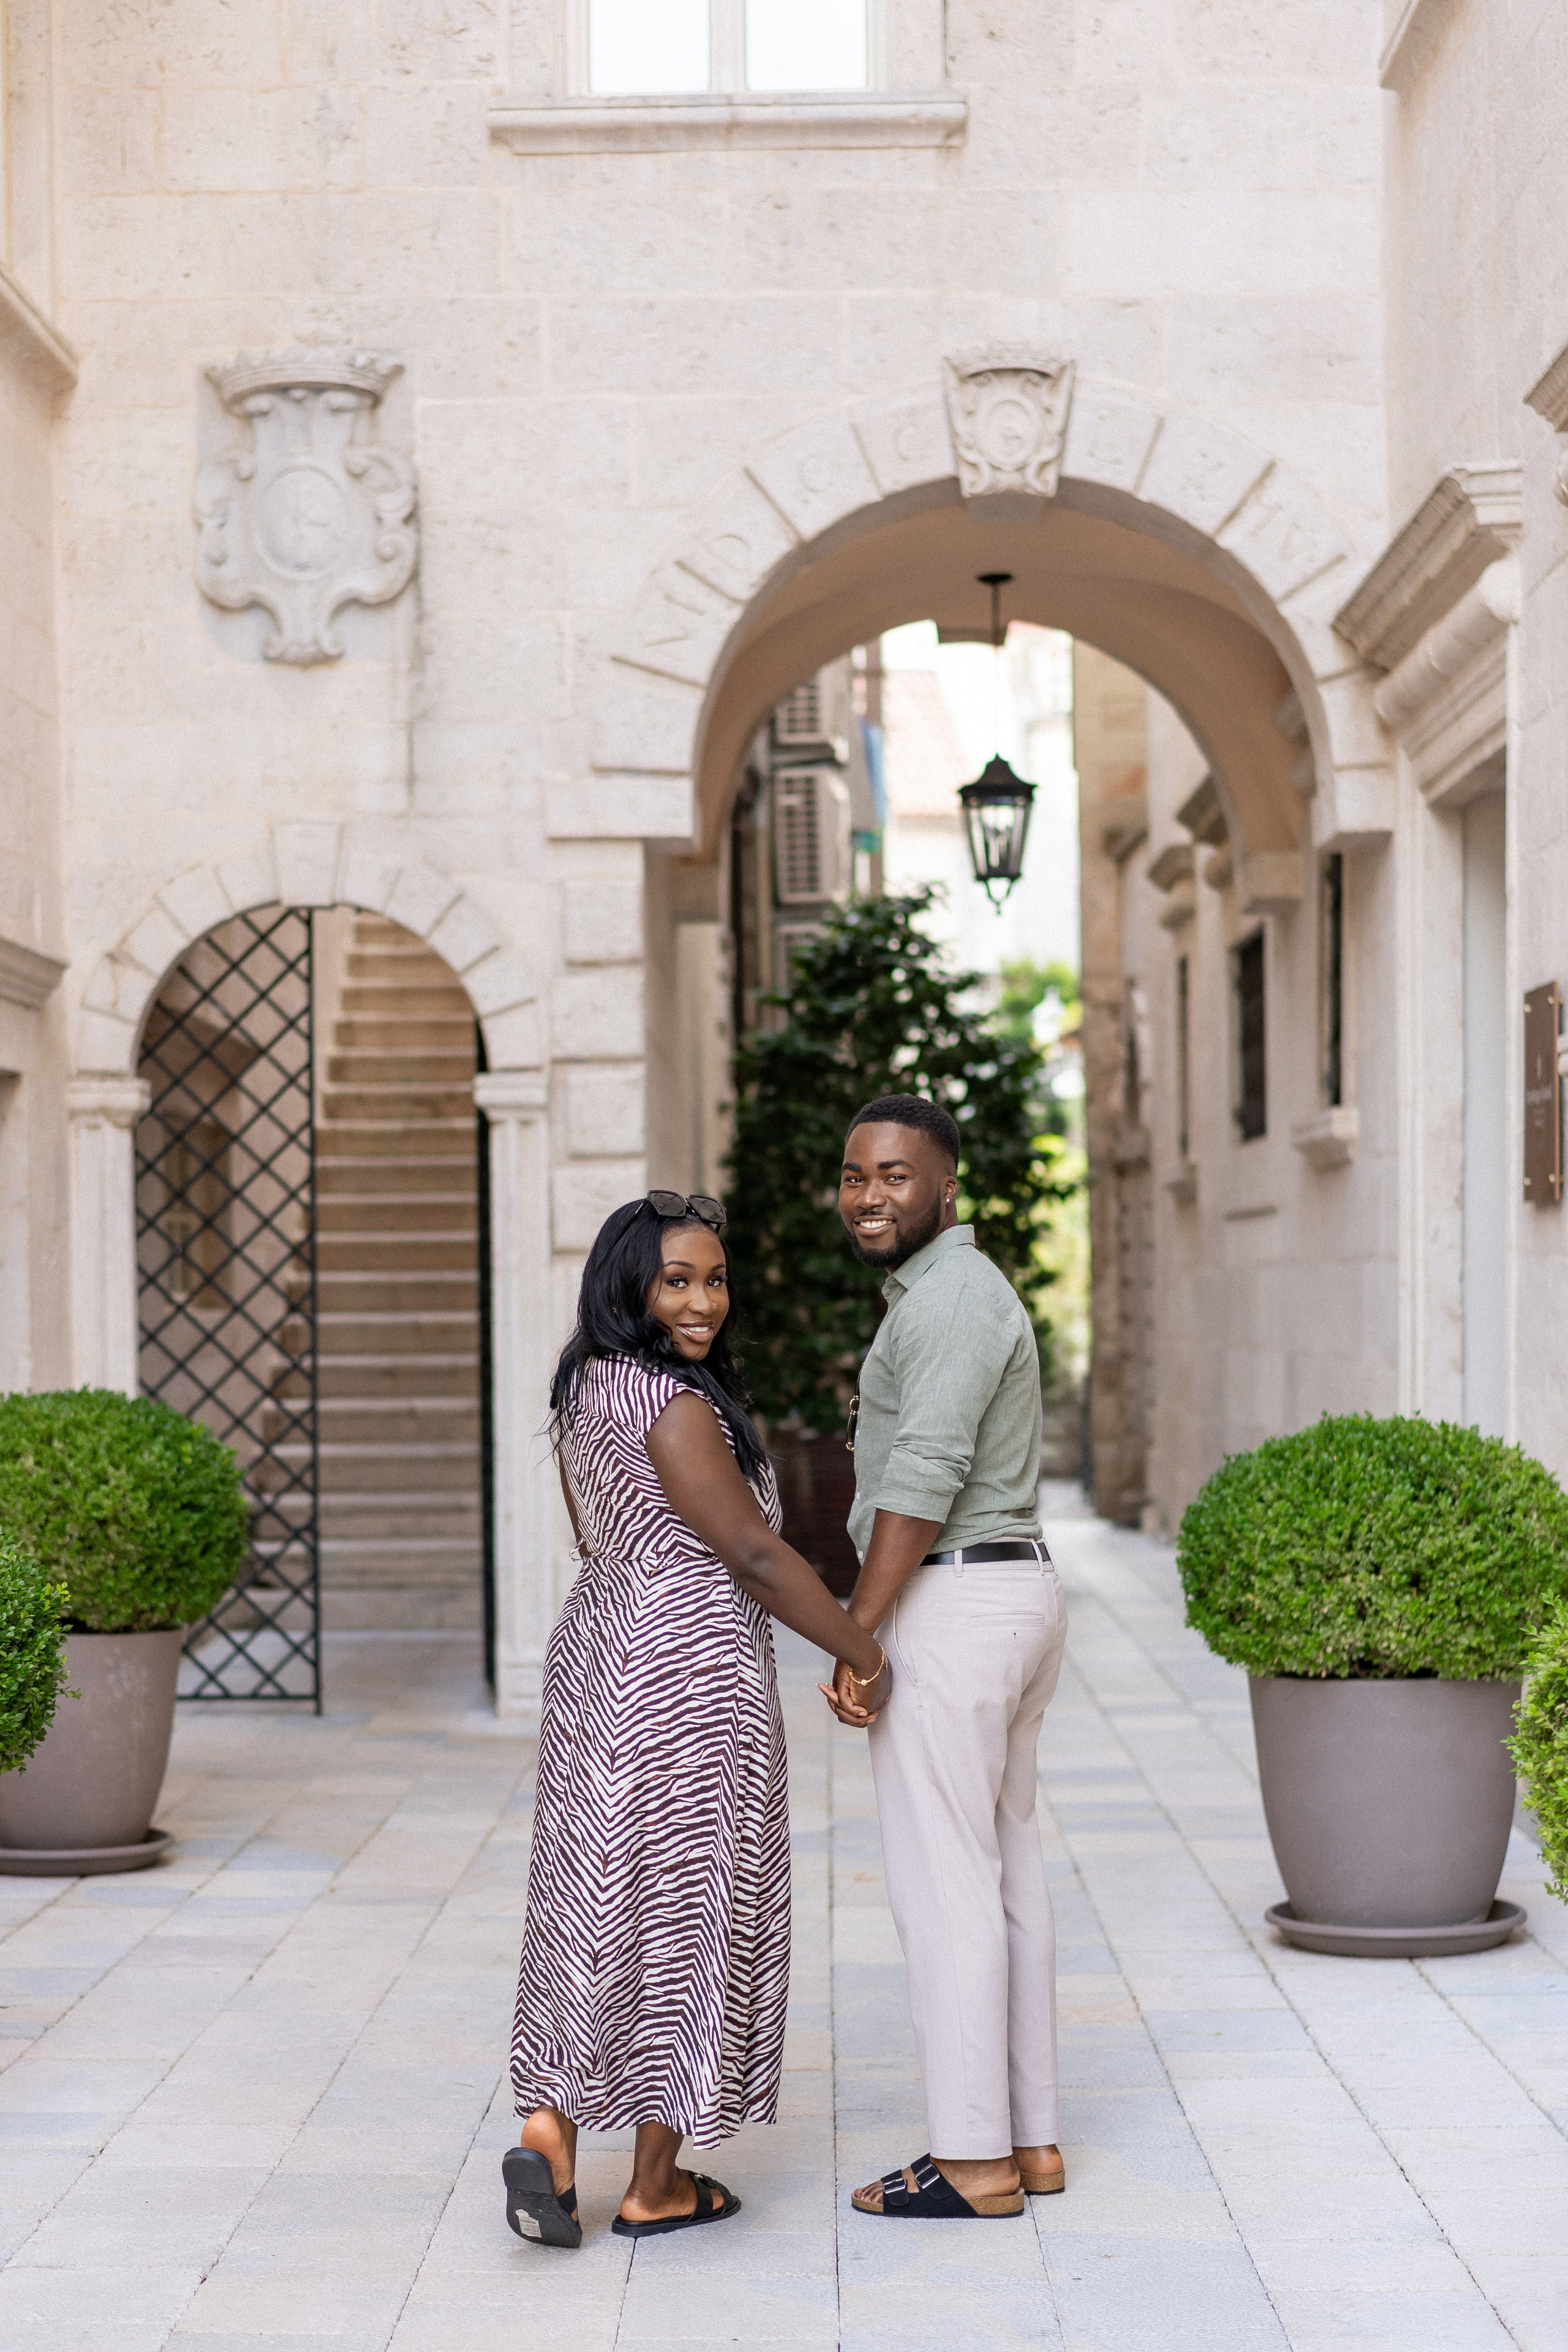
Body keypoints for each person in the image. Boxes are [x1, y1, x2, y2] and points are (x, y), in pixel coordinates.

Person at [505, 1189, 891, 2250]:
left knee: (593, 1891)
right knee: (690, 1901)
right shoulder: (674, 1403)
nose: (704, 1301)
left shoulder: (586, 1384)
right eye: (677, 1280)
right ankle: (657, 2185)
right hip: (689, 1670)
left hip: (599, 1652)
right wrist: (864, 1650)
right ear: (629, 1283)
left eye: (715, 1279)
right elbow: (756, 1558)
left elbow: (600, 1531)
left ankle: (549, 2130)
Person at [823, 1095, 1068, 2222]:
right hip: (1000, 1597)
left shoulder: (957, 1297)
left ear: (947, 1187)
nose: (870, 1195)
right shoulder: (943, 1296)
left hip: (961, 1602)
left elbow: (922, 1479)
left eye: (897, 1176)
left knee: (948, 1884)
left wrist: (859, 1640)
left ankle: (972, 2162)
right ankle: (1028, 2140)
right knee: (1006, 1870)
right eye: (856, 1175)